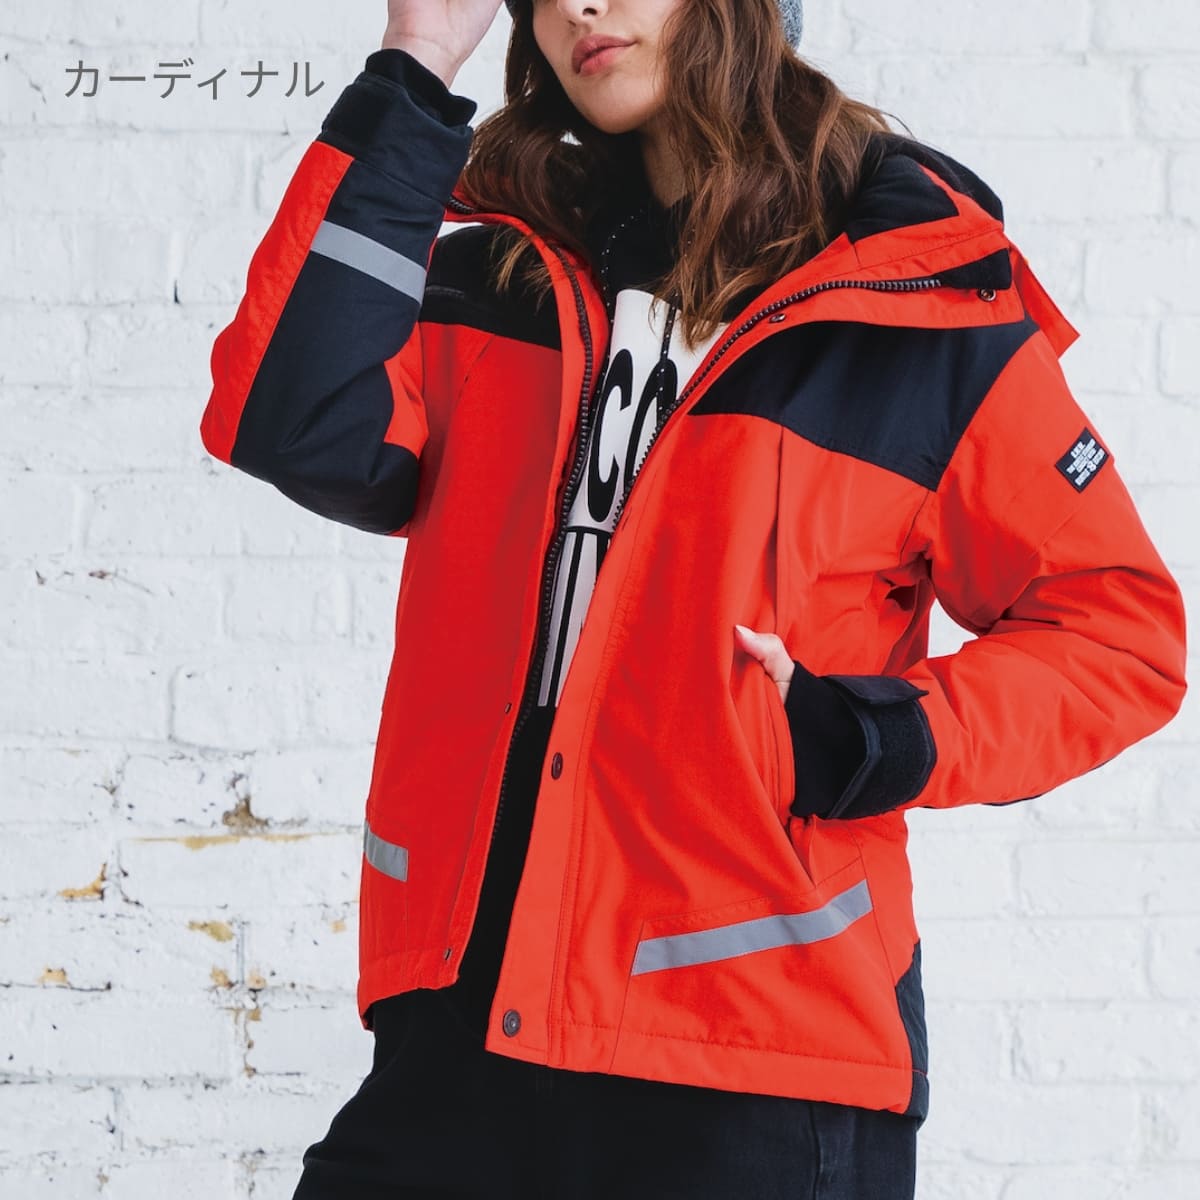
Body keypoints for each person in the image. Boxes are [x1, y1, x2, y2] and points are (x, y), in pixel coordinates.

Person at [199, 1, 1189, 1196]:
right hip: (463, 1028)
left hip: (755, 1064)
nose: (579, 5)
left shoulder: (912, 304)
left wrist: (871, 737)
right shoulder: (499, 273)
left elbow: (1118, 632)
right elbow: (288, 417)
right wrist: (414, 66)